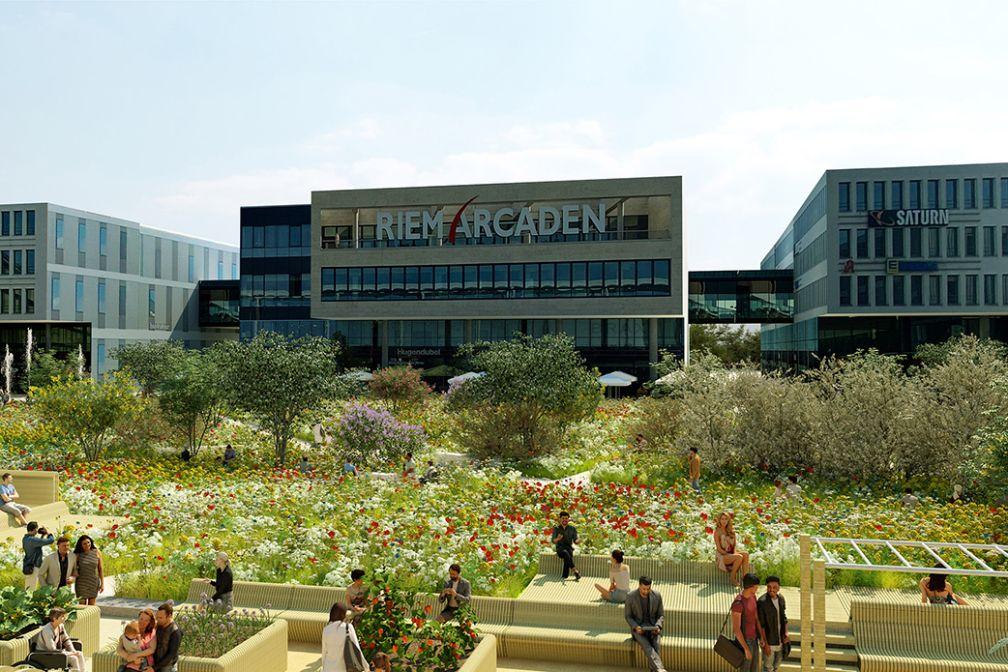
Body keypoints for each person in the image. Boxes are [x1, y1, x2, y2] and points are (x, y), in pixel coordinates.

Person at [624, 576, 666, 672]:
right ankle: (660, 669)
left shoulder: (657, 595)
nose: (646, 591)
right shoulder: (630, 596)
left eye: (648, 589)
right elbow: (628, 616)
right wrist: (636, 627)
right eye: (643, 589)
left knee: (656, 645)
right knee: (647, 646)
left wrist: (658, 626)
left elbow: (661, 615)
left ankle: (656, 670)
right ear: (639, 586)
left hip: (653, 628)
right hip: (638, 630)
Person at [34, 607, 85, 672]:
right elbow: (52, 649)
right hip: (45, 655)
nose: (64, 618)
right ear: (55, 618)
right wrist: (70, 653)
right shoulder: (47, 631)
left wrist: (73, 651)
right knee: (73, 658)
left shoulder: (61, 626)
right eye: (62, 617)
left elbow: (66, 639)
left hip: (56, 653)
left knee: (79, 654)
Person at [732, 573, 763, 672]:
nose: (757, 589)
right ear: (751, 587)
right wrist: (745, 648)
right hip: (745, 641)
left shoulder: (753, 597)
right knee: (745, 669)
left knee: (754, 669)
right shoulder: (738, 603)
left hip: (754, 639)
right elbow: (736, 629)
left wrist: (761, 636)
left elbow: (756, 618)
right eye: (756, 587)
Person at [756, 575, 789, 672]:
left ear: (779, 588)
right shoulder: (762, 602)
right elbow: (761, 625)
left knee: (776, 666)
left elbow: (784, 617)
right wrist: (765, 644)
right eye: (769, 587)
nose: (771, 590)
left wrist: (786, 633)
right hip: (769, 642)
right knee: (768, 668)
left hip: (780, 640)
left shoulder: (781, 599)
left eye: (774, 587)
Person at [321, 602, 362, 672]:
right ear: (344, 614)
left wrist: (324, 668)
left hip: (328, 667)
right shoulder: (348, 627)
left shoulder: (326, 629)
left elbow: (324, 652)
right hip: (344, 668)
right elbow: (357, 649)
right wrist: (366, 667)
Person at [714, 512, 750, 587]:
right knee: (739, 557)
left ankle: (746, 579)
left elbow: (734, 547)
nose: (724, 521)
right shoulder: (717, 532)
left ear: (728, 520)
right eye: (722, 519)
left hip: (731, 554)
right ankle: (732, 578)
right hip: (722, 556)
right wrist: (730, 555)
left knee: (745, 554)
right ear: (719, 520)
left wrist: (733, 554)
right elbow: (719, 549)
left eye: (726, 519)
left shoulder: (732, 532)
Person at [70, 534, 104, 605]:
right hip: (81, 583)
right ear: (81, 545)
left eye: (88, 542)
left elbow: (100, 569)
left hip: (93, 582)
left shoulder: (97, 552)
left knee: (92, 606)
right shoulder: (77, 555)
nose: (87, 545)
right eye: (84, 543)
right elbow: (72, 568)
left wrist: (102, 584)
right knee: (82, 606)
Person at [22, 522, 54, 590]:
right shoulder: (33, 540)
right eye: (36, 529)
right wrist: (48, 533)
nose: (37, 531)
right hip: (34, 567)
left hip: (28, 566)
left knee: (28, 587)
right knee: (31, 589)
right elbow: (51, 540)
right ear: (34, 529)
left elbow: (38, 545)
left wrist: (42, 536)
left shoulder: (25, 539)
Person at [152, 603, 182, 672]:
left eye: (160, 618)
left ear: (169, 616)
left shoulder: (175, 631)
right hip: (157, 664)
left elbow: (171, 654)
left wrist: (154, 668)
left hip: (168, 666)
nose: (158, 620)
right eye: (157, 617)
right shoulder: (159, 625)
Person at [552, 511, 581, 581]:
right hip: (560, 548)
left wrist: (578, 541)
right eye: (563, 518)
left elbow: (575, 540)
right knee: (565, 553)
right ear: (560, 519)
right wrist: (558, 538)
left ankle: (564, 576)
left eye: (566, 518)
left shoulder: (572, 528)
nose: (564, 520)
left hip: (569, 548)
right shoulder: (556, 528)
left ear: (568, 519)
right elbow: (553, 541)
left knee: (567, 554)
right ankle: (575, 570)